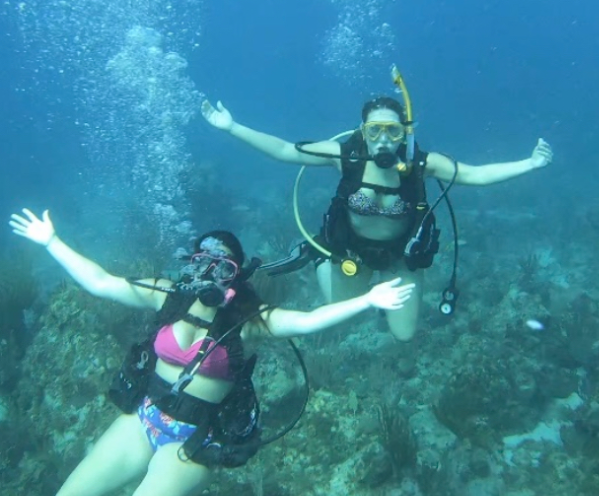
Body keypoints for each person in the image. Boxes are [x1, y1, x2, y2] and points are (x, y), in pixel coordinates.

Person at [9, 208, 414, 496]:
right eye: (201, 263)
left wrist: (367, 299)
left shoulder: (248, 321)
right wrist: (51, 242)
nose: (207, 274)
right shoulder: (167, 295)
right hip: (144, 417)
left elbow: (307, 321)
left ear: (235, 275)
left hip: (196, 438)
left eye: (220, 268)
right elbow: (101, 282)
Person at [201, 96, 553, 342]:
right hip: (350, 255)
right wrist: (231, 127)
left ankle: (378, 295)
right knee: (337, 317)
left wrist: (531, 163)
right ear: (362, 131)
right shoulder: (345, 156)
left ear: (405, 133)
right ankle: (322, 260)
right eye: (374, 132)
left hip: (400, 258)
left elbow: (476, 175)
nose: (383, 141)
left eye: (393, 132)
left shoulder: (421, 165)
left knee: (403, 335)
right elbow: (284, 150)